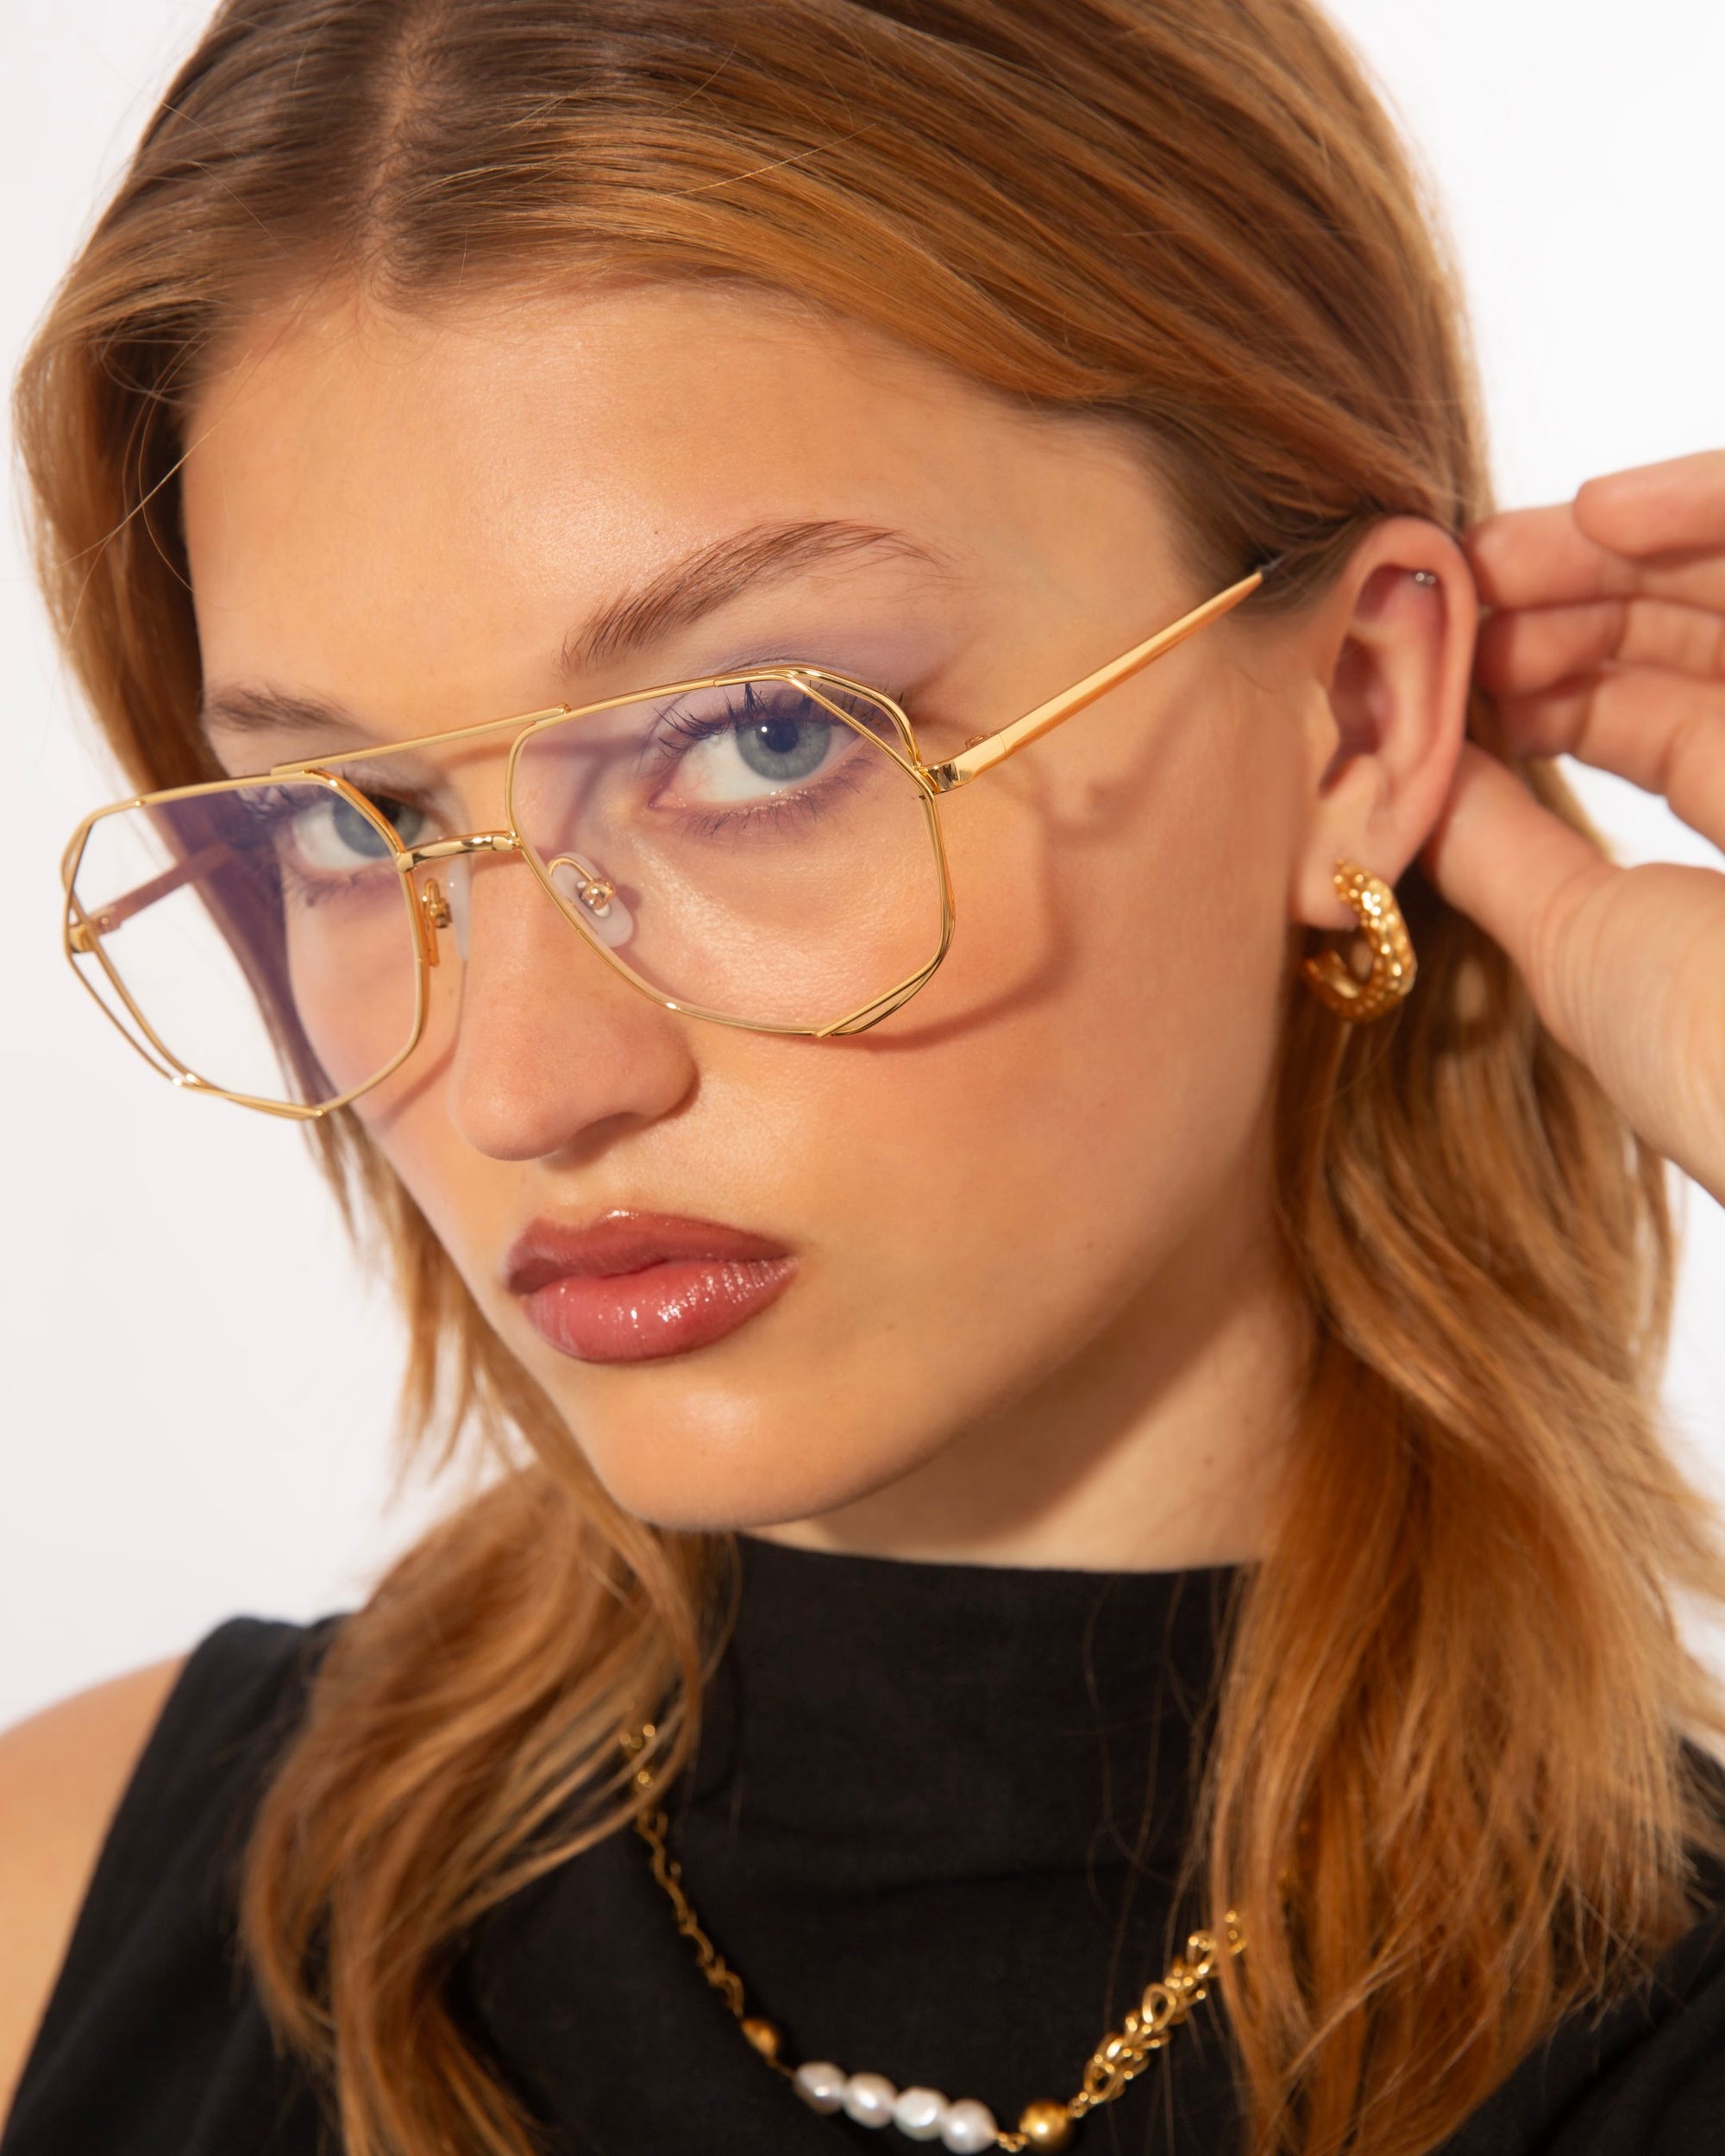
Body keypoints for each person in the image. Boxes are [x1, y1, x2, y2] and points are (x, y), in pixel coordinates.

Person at [3, 2, 1722, 2151]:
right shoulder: (63, 1924)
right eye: (358, 822)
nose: (527, 1078)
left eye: (763, 739)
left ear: (1357, 714)